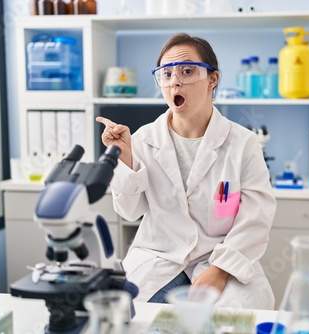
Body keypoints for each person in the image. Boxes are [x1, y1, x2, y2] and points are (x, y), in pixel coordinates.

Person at [96, 33, 276, 309]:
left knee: (234, 322)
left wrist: (219, 270)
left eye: (187, 71)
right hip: (159, 257)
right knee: (125, 316)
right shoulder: (143, 140)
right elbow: (129, 211)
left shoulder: (243, 143)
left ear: (212, 79)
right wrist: (126, 158)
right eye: (166, 74)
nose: (175, 81)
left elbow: (255, 219)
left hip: (220, 258)